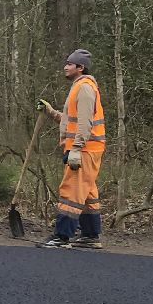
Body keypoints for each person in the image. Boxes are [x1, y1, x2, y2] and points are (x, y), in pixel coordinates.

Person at [38, 49, 105, 249]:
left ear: (80, 67)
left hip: (84, 150)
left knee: (72, 192)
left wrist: (76, 148)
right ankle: (90, 235)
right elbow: (71, 121)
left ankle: (62, 237)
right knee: (87, 193)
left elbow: (85, 123)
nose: (65, 67)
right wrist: (50, 112)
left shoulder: (84, 88)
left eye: (69, 64)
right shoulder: (79, 87)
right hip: (88, 148)